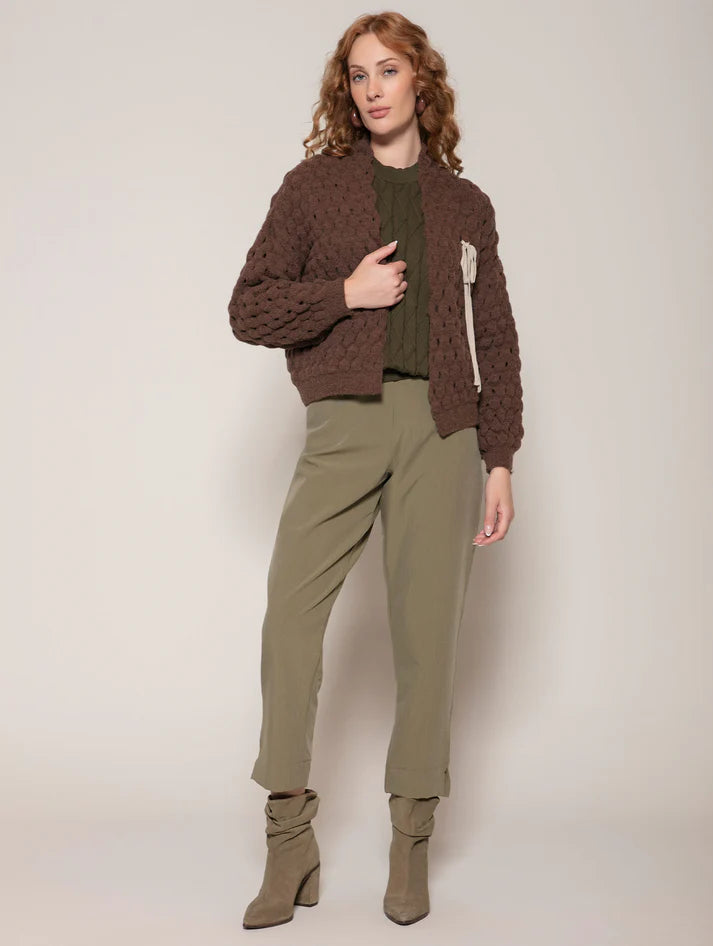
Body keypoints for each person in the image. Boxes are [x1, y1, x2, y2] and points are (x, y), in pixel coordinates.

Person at [227, 11, 524, 930]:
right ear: (345, 92)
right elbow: (248, 308)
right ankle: (289, 840)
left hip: (443, 431)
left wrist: (499, 457)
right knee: (290, 623)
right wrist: (345, 294)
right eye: (357, 75)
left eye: (388, 70)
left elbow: (494, 339)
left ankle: (411, 844)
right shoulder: (312, 190)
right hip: (344, 424)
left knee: (427, 639)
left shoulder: (465, 205)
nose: (372, 89)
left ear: (419, 82)